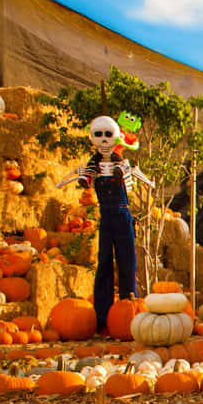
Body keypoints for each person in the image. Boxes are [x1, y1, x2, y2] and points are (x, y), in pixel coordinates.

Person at [57, 114, 154, 333]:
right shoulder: (93, 165)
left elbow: (137, 175)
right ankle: (103, 318)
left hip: (122, 214)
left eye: (107, 135)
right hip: (106, 217)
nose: (103, 140)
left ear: (115, 137)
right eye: (98, 135)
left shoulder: (122, 163)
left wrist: (148, 182)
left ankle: (130, 308)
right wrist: (67, 181)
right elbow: (79, 176)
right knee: (104, 264)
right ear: (93, 137)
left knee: (127, 263)